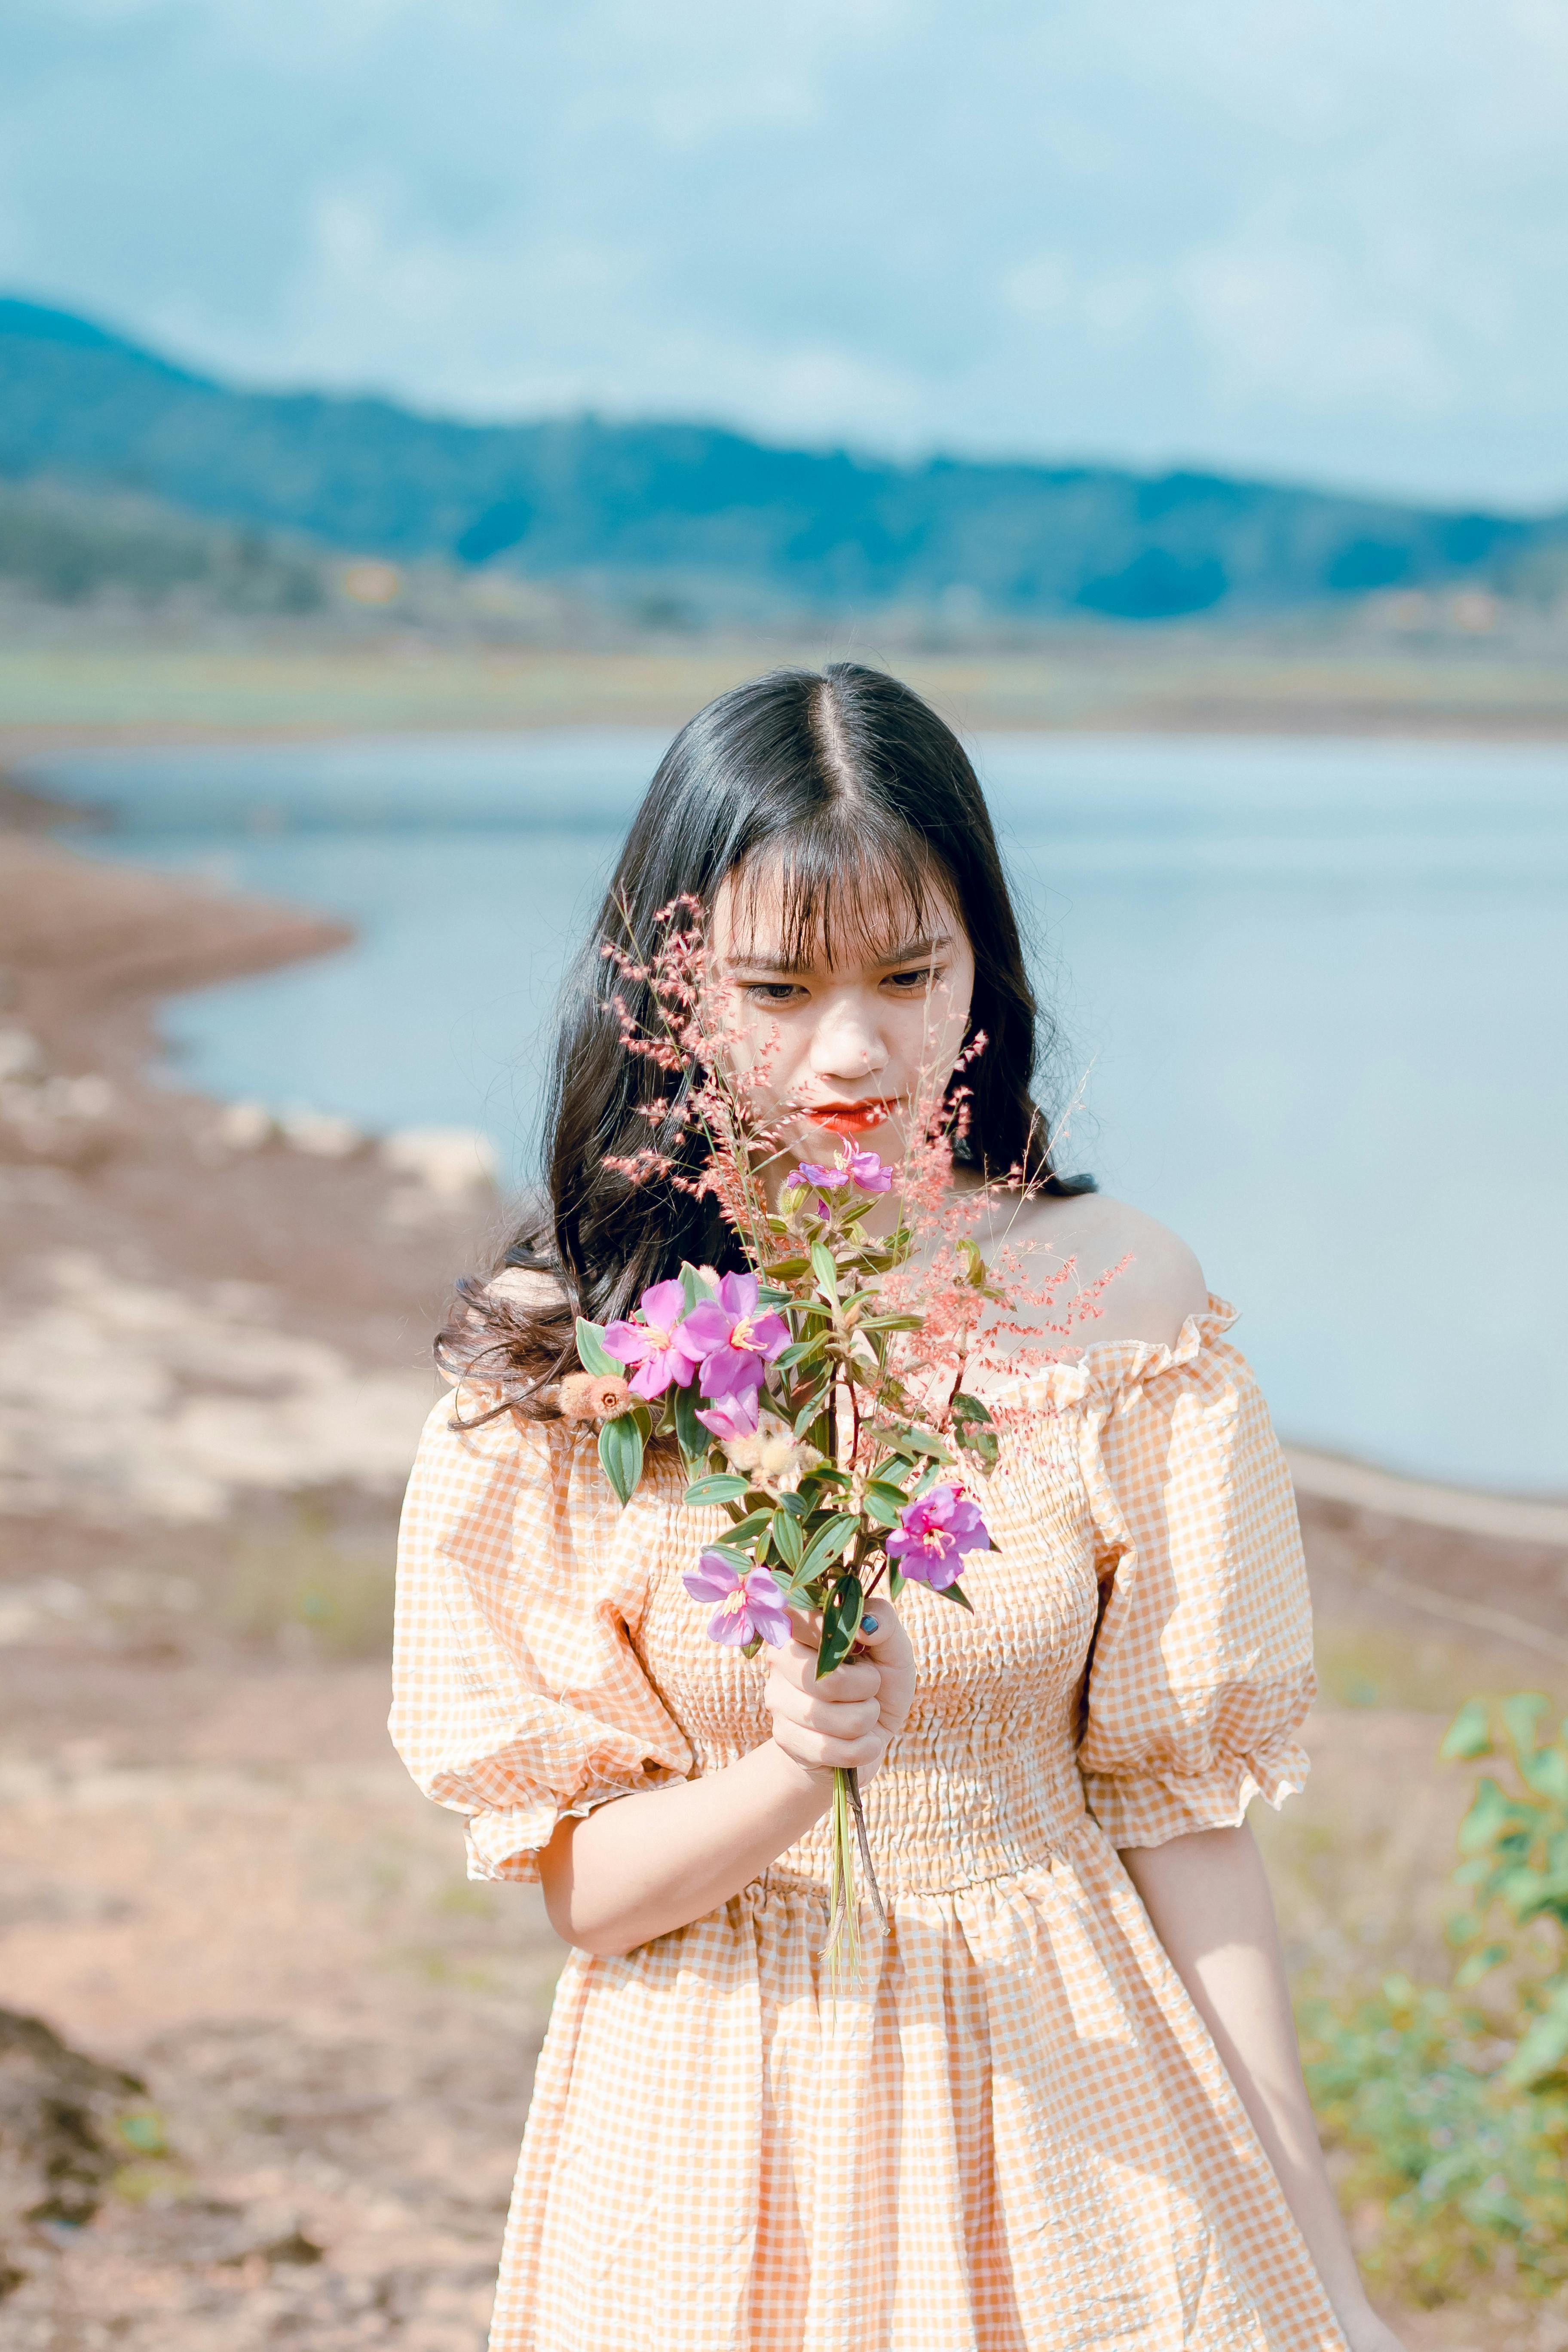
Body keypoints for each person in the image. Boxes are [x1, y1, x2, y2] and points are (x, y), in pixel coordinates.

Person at [391, 664, 1405, 2352]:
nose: (855, 1048)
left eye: (910, 975)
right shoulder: (572, 1353)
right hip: (713, 2132)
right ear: (672, 990)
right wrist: (792, 1767)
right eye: (777, 987)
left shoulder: (1120, 1305)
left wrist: (1328, 2275)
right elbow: (585, 1888)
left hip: (1077, 2106)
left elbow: (1184, 1819)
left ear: (980, 973)